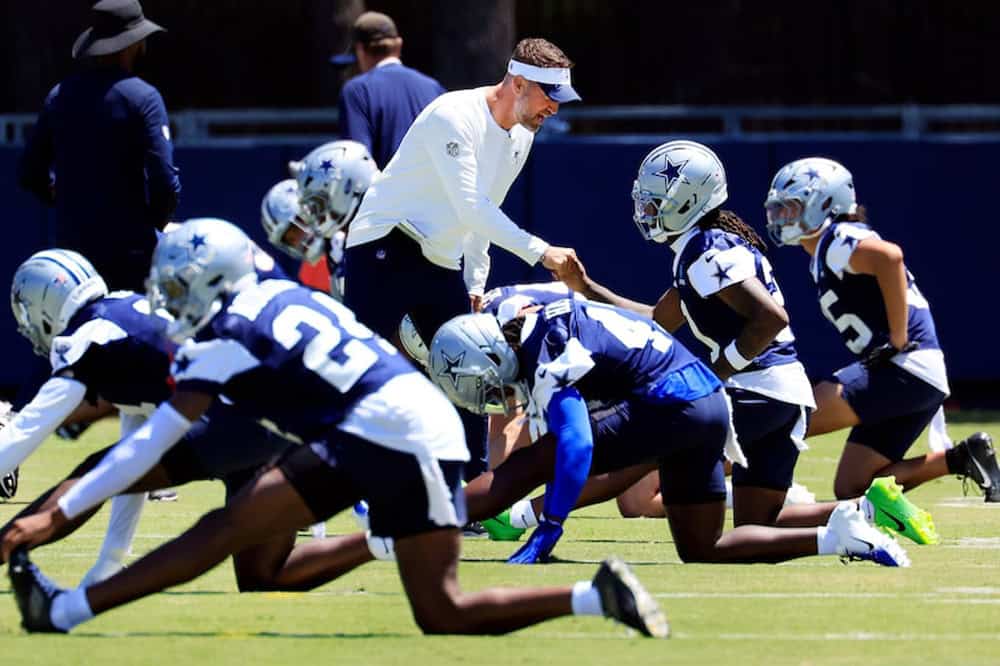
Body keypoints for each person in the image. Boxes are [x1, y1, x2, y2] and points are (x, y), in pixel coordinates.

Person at [5, 219, 668, 639]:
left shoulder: (229, 334)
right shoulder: (284, 294)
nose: (172, 304)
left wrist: (60, 509)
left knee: (233, 532)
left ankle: (63, 611)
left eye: (180, 288)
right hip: (384, 426)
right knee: (271, 566)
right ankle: (594, 596)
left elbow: (149, 444)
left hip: (392, 431)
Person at [551, 140, 937, 544]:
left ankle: (524, 515)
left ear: (688, 202)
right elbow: (655, 320)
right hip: (783, 395)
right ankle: (869, 508)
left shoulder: (706, 250)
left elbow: (770, 319)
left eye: (657, 203)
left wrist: (711, 376)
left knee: (634, 474)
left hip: (757, 391)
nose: (647, 211)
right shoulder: (703, 247)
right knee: (759, 526)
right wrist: (585, 286)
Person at [426, 301, 910, 567]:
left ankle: (423, 521)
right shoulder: (543, 318)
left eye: (480, 382)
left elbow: (577, 445)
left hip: (672, 405)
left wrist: (551, 522)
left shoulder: (544, 345)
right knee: (703, 549)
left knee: (537, 461)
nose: (490, 394)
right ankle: (836, 537)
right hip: (707, 404)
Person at [343, 36, 582, 480]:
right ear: (518, 83)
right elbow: (471, 206)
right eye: (549, 95)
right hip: (383, 245)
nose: (554, 108)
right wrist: (541, 252)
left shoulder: (522, 136)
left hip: (440, 260)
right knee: (356, 370)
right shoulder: (453, 114)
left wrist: (474, 282)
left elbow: (485, 211)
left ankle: (471, 493)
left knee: (475, 372)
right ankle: (321, 479)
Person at [0, 243, 295, 584]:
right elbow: (136, 453)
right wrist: (110, 561)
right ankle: (355, 548)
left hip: (230, 423)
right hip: (264, 420)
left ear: (44, 305)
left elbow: (26, 431)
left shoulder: (88, 336)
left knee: (94, 474)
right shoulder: (120, 312)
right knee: (261, 576)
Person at [764, 157, 1000, 502]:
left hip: (905, 370)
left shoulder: (837, 239)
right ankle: (963, 458)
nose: (782, 217)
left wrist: (898, 337)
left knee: (787, 421)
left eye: (792, 207)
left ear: (826, 204)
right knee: (853, 488)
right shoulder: (828, 249)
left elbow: (890, 257)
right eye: (779, 208)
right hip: (918, 376)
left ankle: (722, 486)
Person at [17, 0, 180, 293]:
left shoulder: (59, 95)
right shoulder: (144, 97)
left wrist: (67, 199)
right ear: (135, 43)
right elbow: (165, 183)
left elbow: (30, 172)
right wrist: (149, 227)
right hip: (133, 257)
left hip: (73, 262)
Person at [331, 11, 446, 169]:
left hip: (386, 185)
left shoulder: (357, 91)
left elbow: (356, 162)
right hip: (432, 184)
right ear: (398, 45)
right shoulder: (434, 88)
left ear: (360, 50)